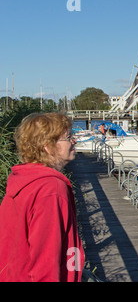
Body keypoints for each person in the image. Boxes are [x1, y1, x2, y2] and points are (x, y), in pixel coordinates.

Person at [0, 113, 85, 282]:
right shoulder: (51, 189)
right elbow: (46, 258)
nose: (74, 141)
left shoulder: (22, 179)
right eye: (68, 137)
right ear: (48, 146)